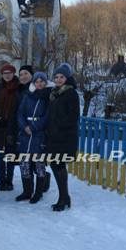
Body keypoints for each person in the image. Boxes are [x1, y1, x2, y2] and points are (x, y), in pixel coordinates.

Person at [46, 63, 80, 211]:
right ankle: (64, 197)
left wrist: (58, 126)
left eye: (62, 77)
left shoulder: (71, 93)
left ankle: (63, 198)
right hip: (54, 136)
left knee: (59, 166)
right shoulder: (55, 92)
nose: (59, 79)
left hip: (65, 136)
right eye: (56, 77)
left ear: (67, 78)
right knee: (56, 165)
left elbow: (73, 116)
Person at [15, 72, 51, 203]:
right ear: (33, 83)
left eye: (42, 81)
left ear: (46, 83)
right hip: (25, 134)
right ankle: (27, 191)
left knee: (39, 165)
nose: (39, 84)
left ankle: (38, 192)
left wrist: (34, 127)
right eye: (37, 81)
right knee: (24, 163)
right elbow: (20, 113)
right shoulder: (27, 96)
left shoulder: (49, 97)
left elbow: (48, 116)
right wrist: (24, 126)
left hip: (39, 134)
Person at [0, 63, 21, 191]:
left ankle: (9, 180)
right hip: (0, 125)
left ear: (13, 74)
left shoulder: (18, 88)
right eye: (5, 73)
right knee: (1, 153)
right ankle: (2, 181)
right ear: (2, 74)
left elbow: (20, 107)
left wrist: (12, 121)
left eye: (9, 73)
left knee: (10, 153)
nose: (7, 75)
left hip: (13, 126)